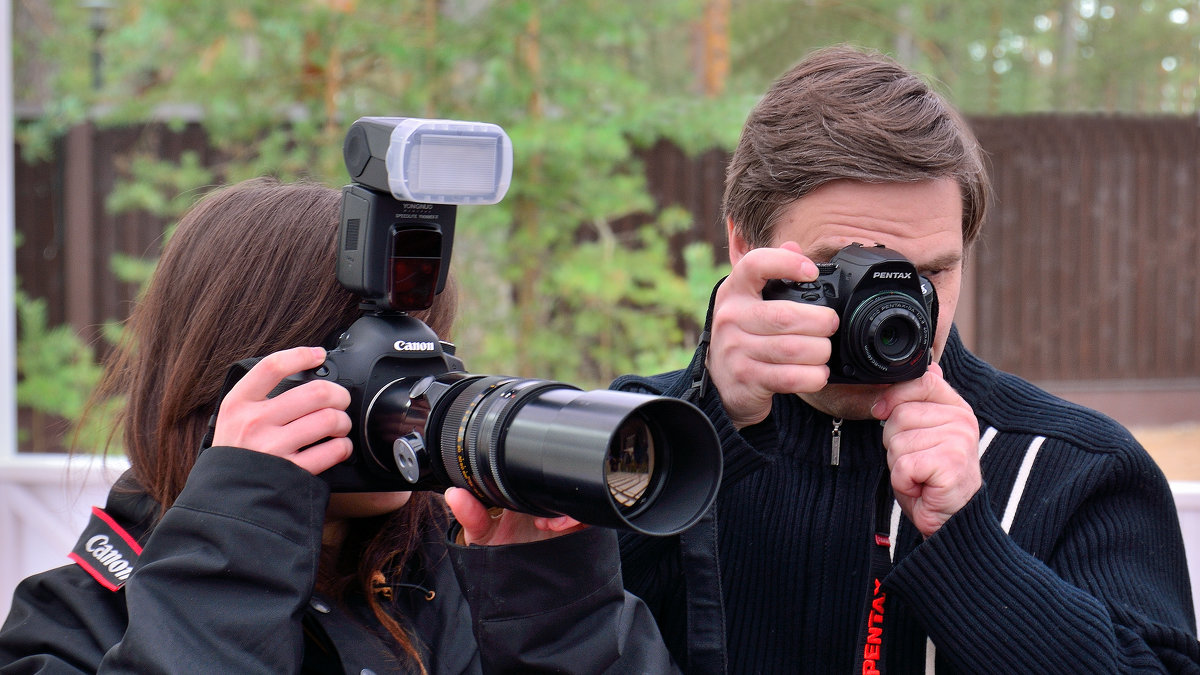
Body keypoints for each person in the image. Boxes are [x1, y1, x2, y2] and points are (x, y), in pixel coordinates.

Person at [613, 45, 1199, 674]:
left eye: (928, 273)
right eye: (845, 268)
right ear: (741, 246)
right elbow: (560, 641)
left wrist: (969, 550)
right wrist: (703, 434)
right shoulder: (639, 441)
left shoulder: (1074, 471)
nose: (892, 309)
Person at [0, 177, 675, 673]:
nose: (409, 390)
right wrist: (238, 540)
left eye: (423, 348)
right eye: (360, 360)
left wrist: (554, 609)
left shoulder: (473, 585)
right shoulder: (69, 627)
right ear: (231, 382)